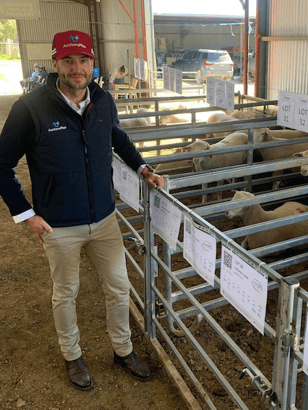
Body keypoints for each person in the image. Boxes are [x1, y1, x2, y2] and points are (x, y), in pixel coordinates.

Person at [0, 30, 164, 391]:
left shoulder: (102, 100)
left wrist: (143, 168)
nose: (77, 68)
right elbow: (2, 165)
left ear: (93, 63)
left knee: (120, 288)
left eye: (84, 60)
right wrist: (26, 214)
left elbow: (117, 136)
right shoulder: (30, 109)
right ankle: (72, 355)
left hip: (104, 217)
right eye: (69, 61)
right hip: (58, 225)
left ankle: (123, 349)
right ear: (55, 63)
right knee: (66, 292)